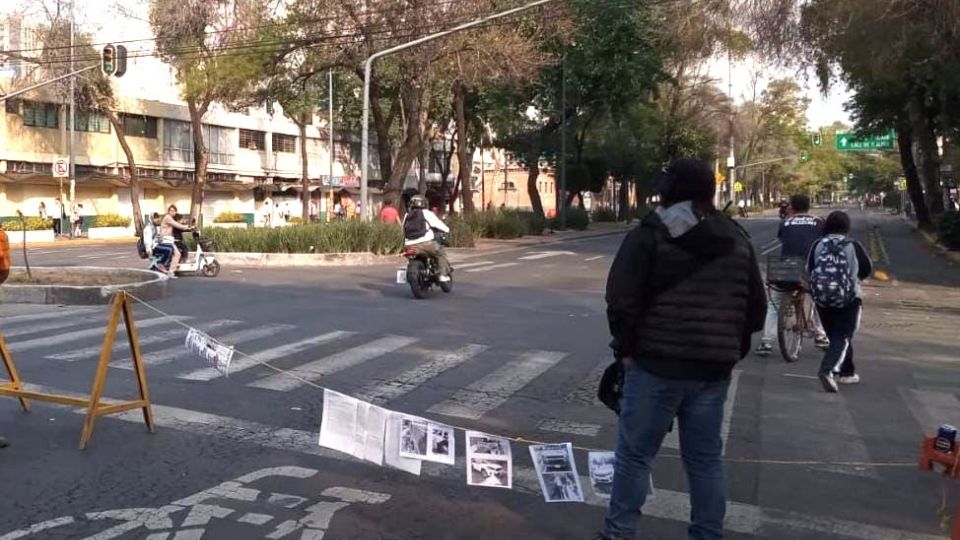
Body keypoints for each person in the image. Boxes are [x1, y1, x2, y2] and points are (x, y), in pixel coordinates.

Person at [600, 159, 766, 540]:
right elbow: (755, 312)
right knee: (705, 460)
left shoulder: (651, 233)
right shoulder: (736, 238)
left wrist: (626, 350)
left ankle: (619, 533)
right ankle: (708, 534)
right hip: (712, 370)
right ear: (709, 191)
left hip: (655, 364)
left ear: (671, 190)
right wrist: (726, 348)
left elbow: (620, 299)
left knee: (635, 455)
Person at [756, 193, 829, 356]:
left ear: (792, 207)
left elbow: (783, 240)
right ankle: (821, 335)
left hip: (785, 269)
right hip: (810, 269)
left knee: (774, 303)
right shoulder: (819, 222)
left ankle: (766, 342)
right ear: (809, 206)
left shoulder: (786, 222)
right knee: (819, 300)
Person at [808, 211, 872, 393]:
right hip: (849, 298)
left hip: (822, 298)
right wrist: (853, 279)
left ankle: (847, 372)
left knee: (836, 336)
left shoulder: (817, 245)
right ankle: (828, 370)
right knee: (843, 336)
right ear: (847, 227)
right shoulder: (853, 246)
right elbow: (866, 269)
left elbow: (810, 268)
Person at [402, 194, 452, 282]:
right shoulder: (426, 213)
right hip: (426, 244)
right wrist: (447, 230)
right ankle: (442, 275)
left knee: (411, 258)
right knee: (440, 253)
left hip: (409, 246)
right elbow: (438, 224)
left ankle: (408, 277)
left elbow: (403, 230)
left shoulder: (407, 215)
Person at [160, 205, 192, 277]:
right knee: (177, 254)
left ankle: (172, 267)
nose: (173, 212)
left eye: (174, 211)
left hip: (168, 239)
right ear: (169, 211)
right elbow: (177, 225)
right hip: (166, 239)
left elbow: (178, 223)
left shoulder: (169, 218)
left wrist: (186, 226)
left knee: (178, 252)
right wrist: (187, 227)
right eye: (171, 211)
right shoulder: (168, 218)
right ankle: (171, 272)